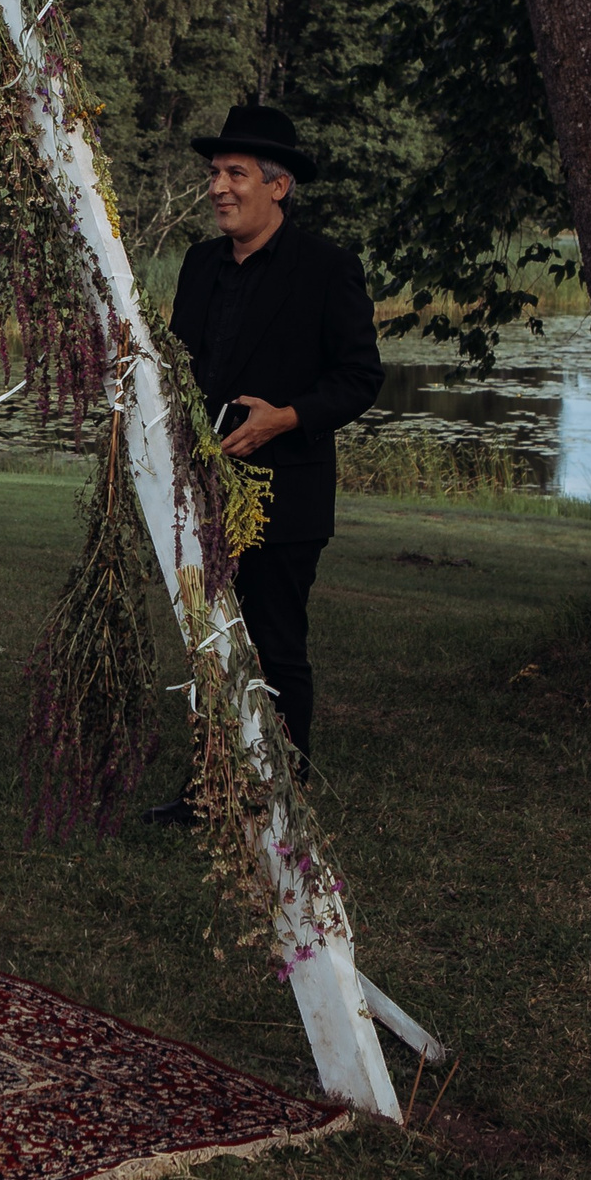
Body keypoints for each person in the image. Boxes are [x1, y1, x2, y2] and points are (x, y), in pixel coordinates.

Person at [149, 105, 382, 823]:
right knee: (210, 644)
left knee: (275, 646)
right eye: (215, 173)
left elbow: (360, 375)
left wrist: (287, 416)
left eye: (235, 174)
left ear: (278, 187)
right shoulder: (198, 264)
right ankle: (210, 790)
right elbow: (180, 366)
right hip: (201, 493)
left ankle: (280, 796)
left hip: (286, 496)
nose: (218, 187)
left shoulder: (327, 269)